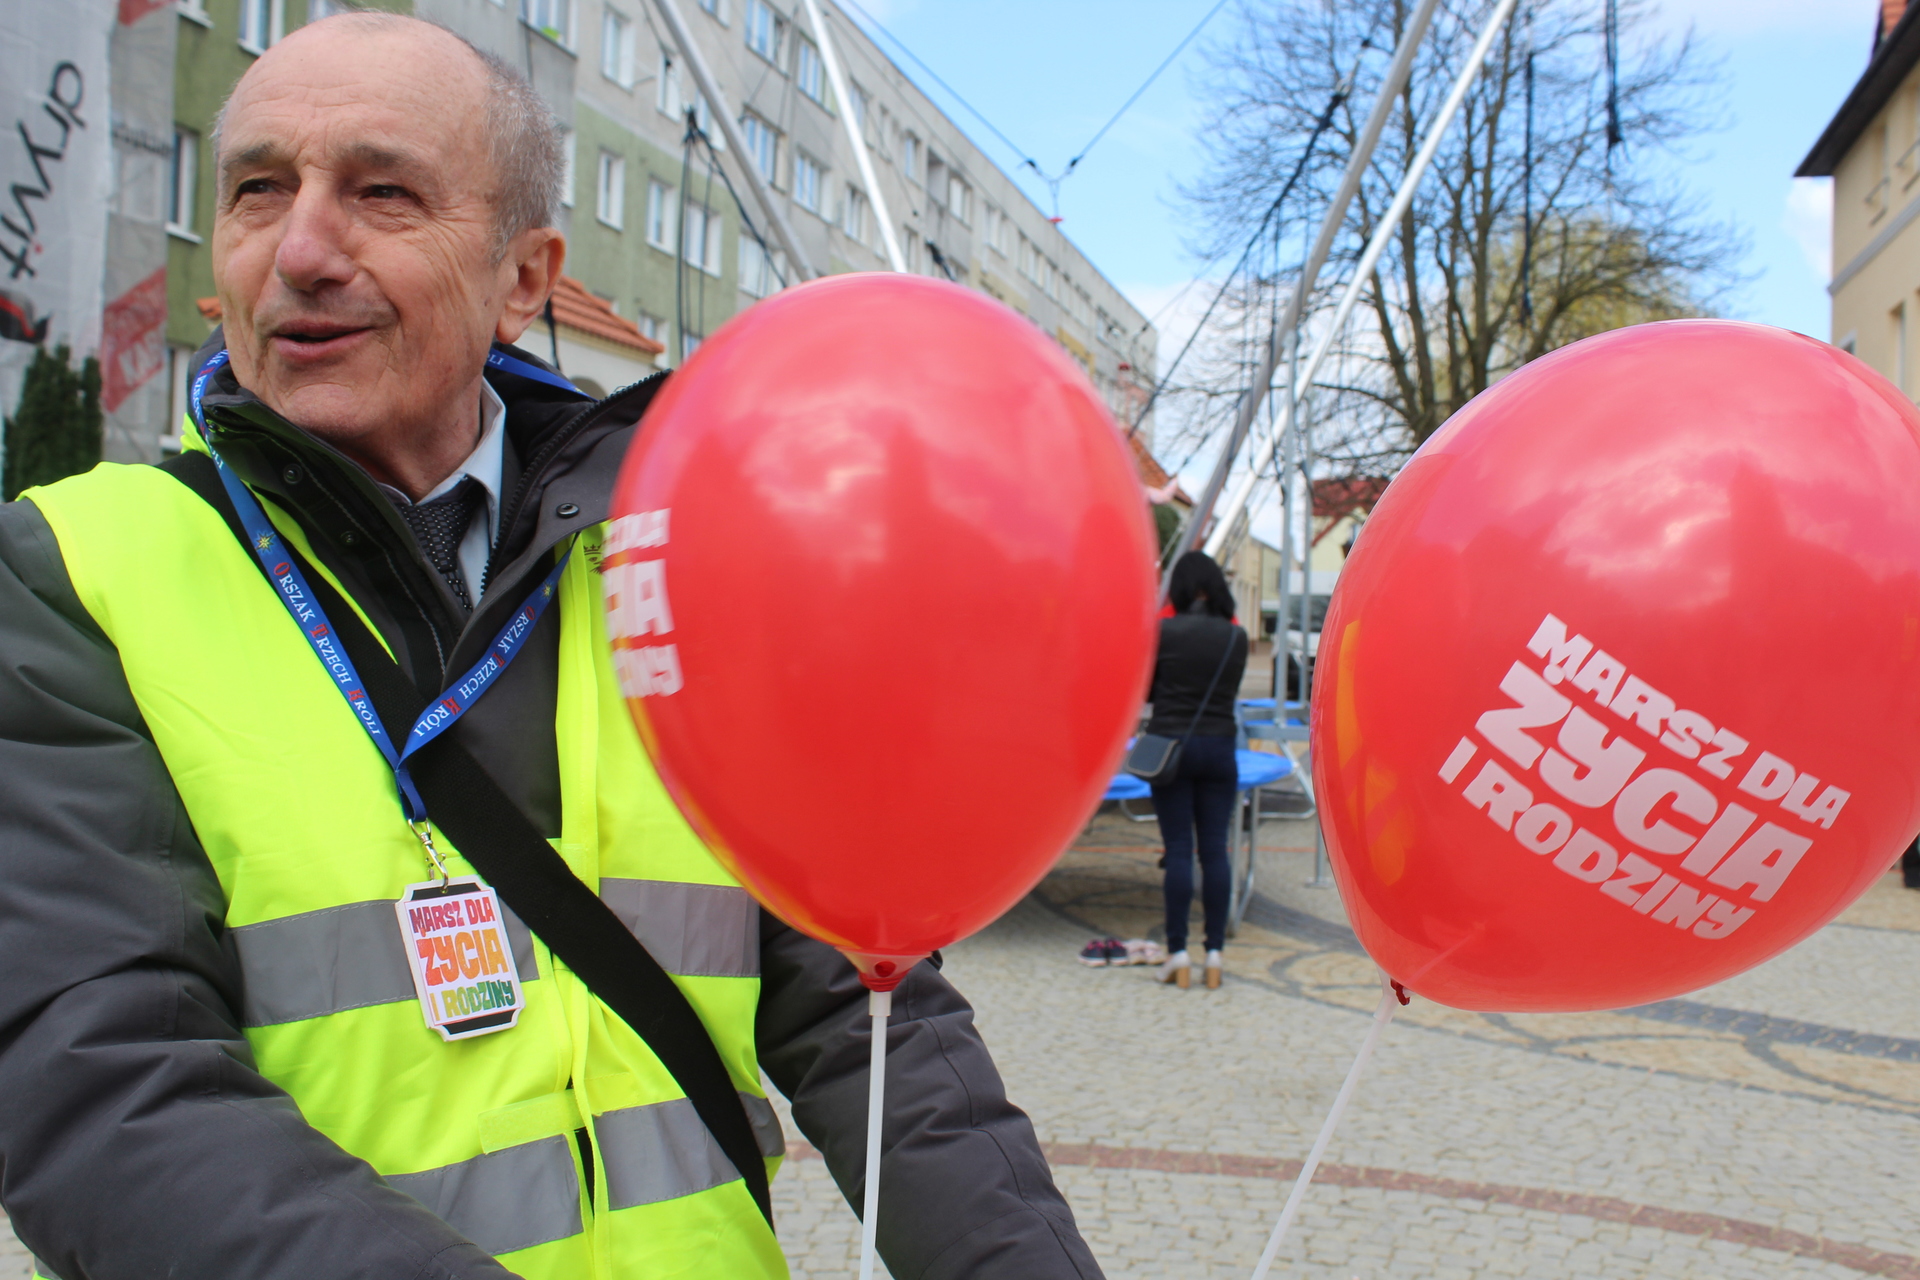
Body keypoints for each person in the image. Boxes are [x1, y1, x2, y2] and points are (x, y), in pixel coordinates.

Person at [0, 16, 1102, 1280]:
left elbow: (862, 1008)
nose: (299, 250)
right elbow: (108, 1093)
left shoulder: (680, 562)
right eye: (257, 189)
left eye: (381, 192)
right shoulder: (79, 572)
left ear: (524, 278)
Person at [1145, 552, 1249, 990]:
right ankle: (1215, 954)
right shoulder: (1237, 637)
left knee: (1178, 850)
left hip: (1171, 747)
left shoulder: (1164, 632)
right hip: (1220, 748)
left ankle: (1178, 953)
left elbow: (1147, 691)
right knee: (1214, 852)